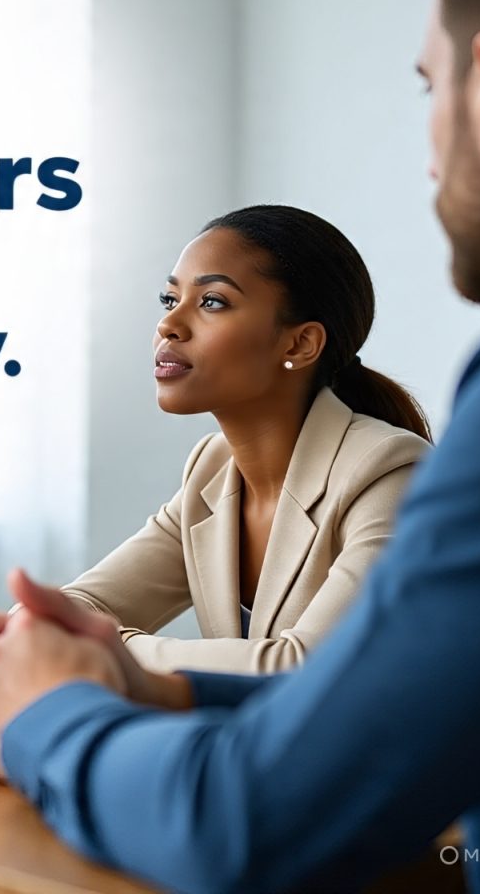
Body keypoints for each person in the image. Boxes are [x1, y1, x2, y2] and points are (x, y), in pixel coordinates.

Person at [0, 0, 480, 892]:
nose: (170, 322)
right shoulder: (211, 474)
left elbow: (250, 812)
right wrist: (28, 650)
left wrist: (52, 706)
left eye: (425, 85)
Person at [60, 205, 430, 674]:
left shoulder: (390, 471)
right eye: (169, 300)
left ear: (299, 344)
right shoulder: (211, 470)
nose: (169, 325)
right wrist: (63, 636)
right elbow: (70, 609)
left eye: (212, 301)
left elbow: (306, 668)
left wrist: (102, 648)